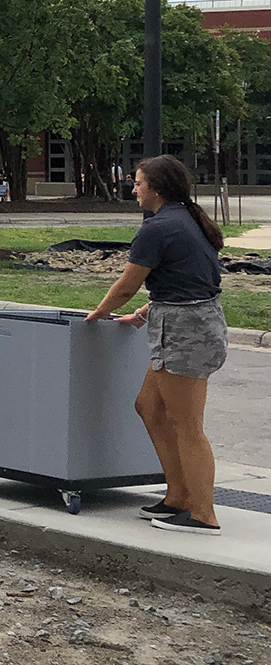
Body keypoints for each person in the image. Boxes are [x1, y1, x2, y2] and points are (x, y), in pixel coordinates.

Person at [85, 154, 228, 535]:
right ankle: (178, 495)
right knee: (148, 407)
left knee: (188, 424)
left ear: (157, 188)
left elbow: (127, 286)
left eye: (138, 182)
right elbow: (184, 281)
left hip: (187, 330)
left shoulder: (159, 227)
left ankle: (203, 514)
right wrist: (144, 314)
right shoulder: (185, 220)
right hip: (181, 322)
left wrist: (99, 312)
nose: (133, 188)